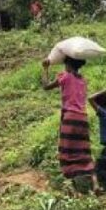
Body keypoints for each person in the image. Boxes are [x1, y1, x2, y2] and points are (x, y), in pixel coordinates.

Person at [42, 56, 97, 193]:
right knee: (84, 151)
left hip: (70, 117)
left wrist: (45, 68)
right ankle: (95, 183)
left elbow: (46, 86)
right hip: (83, 118)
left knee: (66, 151)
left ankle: (73, 189)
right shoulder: (83, 80)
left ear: (68, 65)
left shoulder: (65, 76)